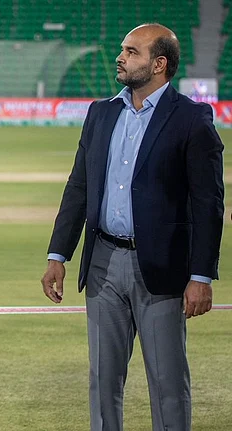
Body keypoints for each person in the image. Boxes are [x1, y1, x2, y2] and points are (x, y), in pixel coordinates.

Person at [41, 23, 223, 431]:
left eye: (132, 51)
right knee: (103, 381)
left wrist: (200, 275)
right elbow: (79, 187)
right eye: (122, 49)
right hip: (103, 262)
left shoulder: (192, 119)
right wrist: (58, 254)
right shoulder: (101, 112)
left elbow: (208, 204)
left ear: (159, 64)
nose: (120, 57)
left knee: (167, 384)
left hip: (161, 269)